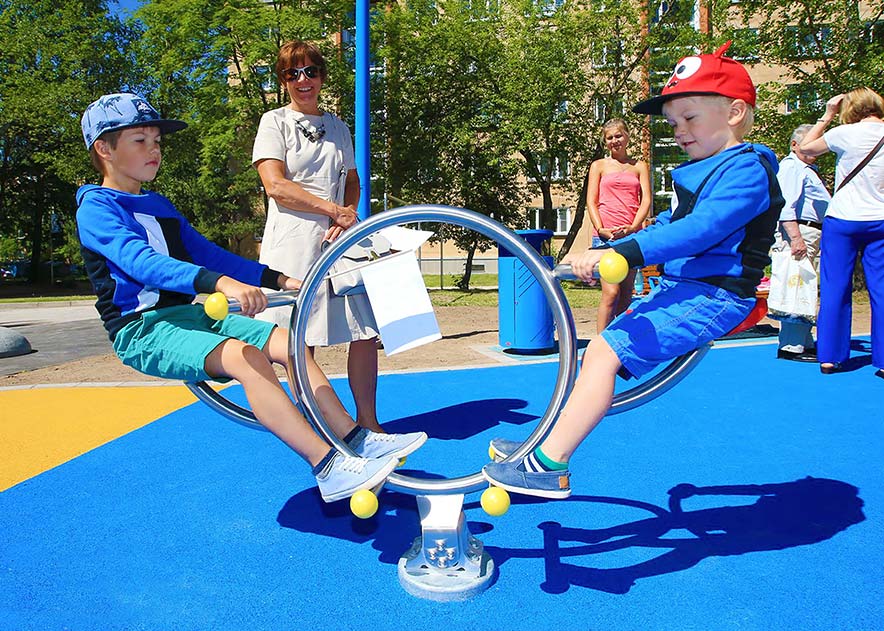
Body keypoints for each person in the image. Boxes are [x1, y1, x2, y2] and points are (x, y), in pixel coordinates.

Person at [75, 92, 426, 503]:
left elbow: (208, 252)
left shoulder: (158, 204)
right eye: (140, 140)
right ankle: (327, 466)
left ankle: (356, 438)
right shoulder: (96, 207)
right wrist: (217, 284)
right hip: (143, 330)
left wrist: (278, 279)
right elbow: (140, 262)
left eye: (157, 140)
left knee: (288, 344)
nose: (154, 149)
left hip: (186, 317)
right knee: (247, 357)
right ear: (104, 149)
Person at [483, 42, 782, 498]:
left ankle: (548, 465)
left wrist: (625, 252)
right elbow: (671, 223)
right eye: (672, 123)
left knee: (603, 353)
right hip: (685, 288)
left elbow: (701, 231)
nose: (679, 131)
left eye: (690, 117)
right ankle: (543, 443)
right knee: (596, 355)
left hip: (714, 294)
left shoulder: (746, 169)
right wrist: (611, 247)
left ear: (736, 112)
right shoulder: (704, 168)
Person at [252, 40, 384, 433]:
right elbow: (275, 185)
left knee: (365, 328)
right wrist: (332, 210)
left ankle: (370, 422)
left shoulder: (339, 127)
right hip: (293, 241)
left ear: (322, 76)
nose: (302, 80)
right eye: (292, 73)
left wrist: (346, 215)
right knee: (298, 335)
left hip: (338, 238)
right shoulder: (274, 122)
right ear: (283, 81)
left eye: (310, 71)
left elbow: (354, 180)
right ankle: (322, 424)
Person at [799, 88, 884, 379]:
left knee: (835, 288)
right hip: (881, 220)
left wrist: (827, 115)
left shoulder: (844, 133)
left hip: (843, 219)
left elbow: (805, 149)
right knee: (882, 290)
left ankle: (830, 357)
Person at [769, 124, 831, 361]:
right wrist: (795, 238)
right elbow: (787, 205)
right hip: (800, 232)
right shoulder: (792, 167)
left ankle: (803, 340)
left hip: (809, 231)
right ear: (795, 145)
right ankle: (791, 344)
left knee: (804, 285)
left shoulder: (806, 168)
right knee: (796, 284)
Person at [586, 119, 652, 331]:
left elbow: (646, 200)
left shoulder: (640, 166)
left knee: (626, 294)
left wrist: (634, 226)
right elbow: (591, 201)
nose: (615, 141)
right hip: (606, 237)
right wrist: (601, 228)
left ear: (627, 137)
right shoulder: (598, 166)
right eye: (610, 137)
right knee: (611, 293)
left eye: (618, 136)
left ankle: (619, 341)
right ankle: (600, 341)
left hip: (631, 236)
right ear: (605, 142)